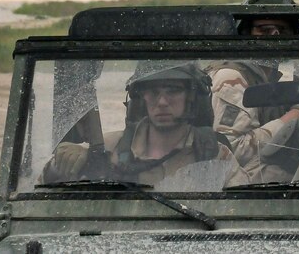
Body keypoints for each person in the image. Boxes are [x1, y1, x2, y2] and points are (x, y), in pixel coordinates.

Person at [42, 61, 248, 189]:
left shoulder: (213, 154)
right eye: (153, 92)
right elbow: (35, 199)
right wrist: (59, 164)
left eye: (173, 90)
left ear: (192, 98)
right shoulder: (106, 149)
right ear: (141, 99)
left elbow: (243, 215)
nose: (162, 102)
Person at [205, 0, 299, 182]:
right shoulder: (231, 78)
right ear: (245, 33)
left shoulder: (271, 75)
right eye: (265, 29)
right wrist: (290, 119)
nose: (275, 36)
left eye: (283, 30)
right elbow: (231, 149)